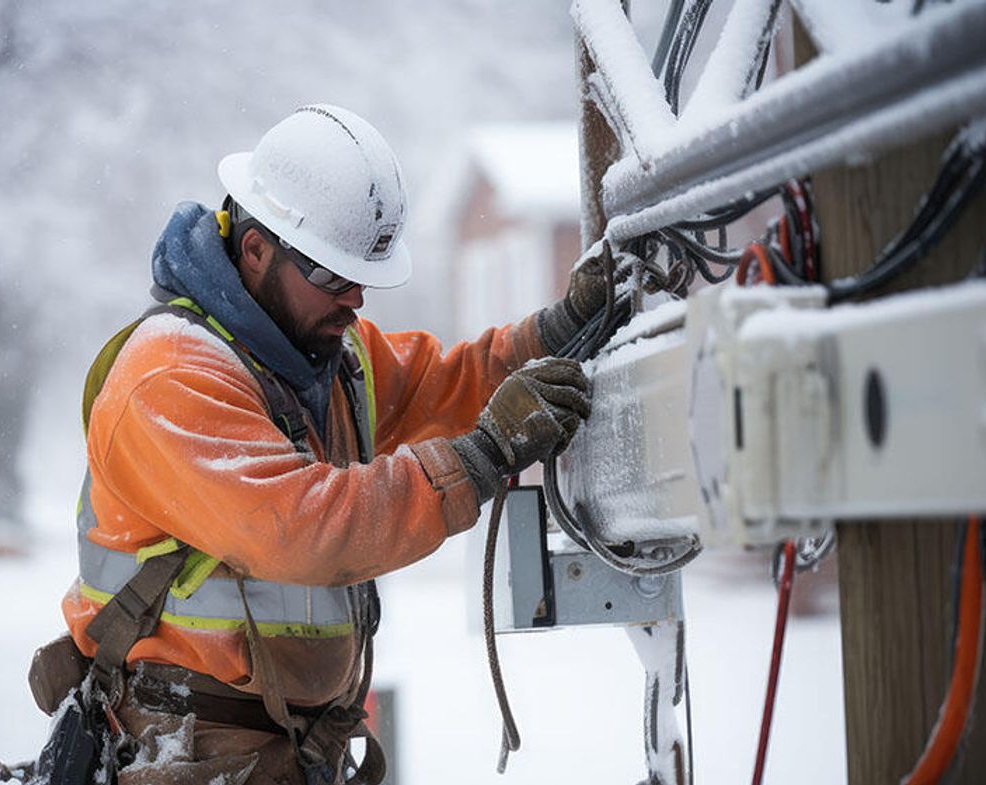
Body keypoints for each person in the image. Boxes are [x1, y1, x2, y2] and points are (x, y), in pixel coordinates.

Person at [46, 104, 612, 785]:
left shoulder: (325, 354)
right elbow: (301, 526)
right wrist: (485, 456)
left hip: (287, 747)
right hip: (188, 749)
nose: (356, 300)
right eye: (332, 277)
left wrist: (555, 331)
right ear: (256, 250)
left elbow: (444, 384)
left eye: (362, 278)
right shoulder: (171, 377)